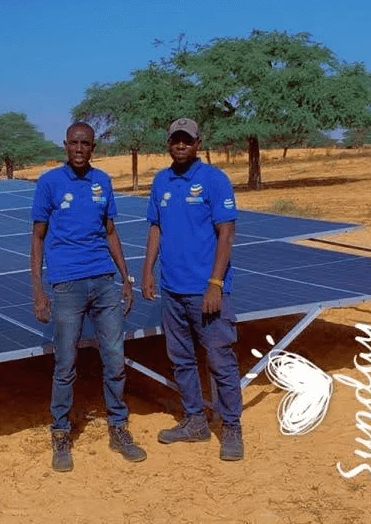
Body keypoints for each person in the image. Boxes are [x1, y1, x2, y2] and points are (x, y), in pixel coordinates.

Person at [31, 121, 147, 472]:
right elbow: (37, 238)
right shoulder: (49, 183)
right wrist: (38, 290)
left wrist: (125, 277)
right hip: (67, 285)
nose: (79, 149)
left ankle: (118, 428)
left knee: (114, 358)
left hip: (104, 281)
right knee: (66, 364)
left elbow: (110, 232)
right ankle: (60, 433)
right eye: (74, 143)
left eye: (86, 143)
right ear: (65, 144)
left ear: (93, 147)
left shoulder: (103, 182)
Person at [141, 117, 244, 461]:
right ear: (168, 143)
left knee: (220, 359)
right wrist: (148, 270)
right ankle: (195, 421)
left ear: (198, 143)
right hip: (172, 290)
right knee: (181, 360)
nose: (181, 145)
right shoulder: (161, 181)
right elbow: (155, 227)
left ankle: (231, 428)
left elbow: (226, 233)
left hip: (206, 290)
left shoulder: (214, 180)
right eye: (176, 140)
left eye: (187, 140)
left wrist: (215, 283)